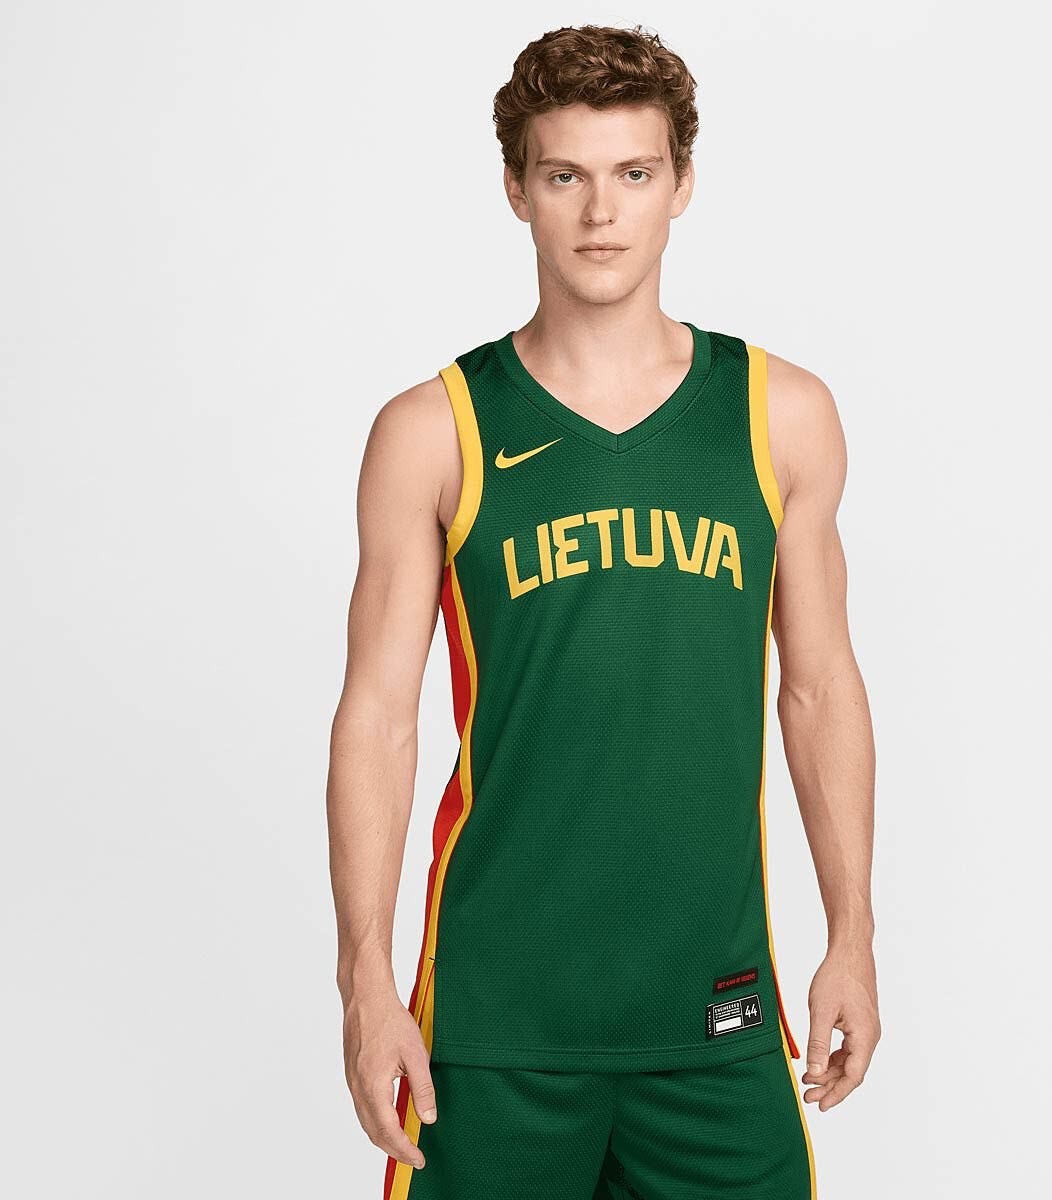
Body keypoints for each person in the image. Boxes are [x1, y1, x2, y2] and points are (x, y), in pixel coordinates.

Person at [327, 22, 880, 1200]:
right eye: (564, 176)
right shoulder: (433, 432)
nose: (600, 212)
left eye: (633, 172)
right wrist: (366, 984)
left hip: (717, 1023)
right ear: (516, 189)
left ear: (682, 183)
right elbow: (377, 719)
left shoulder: (780, 416)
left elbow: (818, 685)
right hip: (488, 1030)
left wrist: (854, 934)